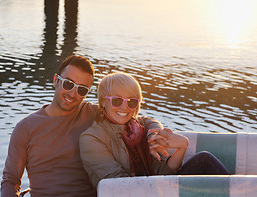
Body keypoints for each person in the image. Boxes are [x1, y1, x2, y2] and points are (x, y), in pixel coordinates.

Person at [0, 56, 165, 197]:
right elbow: (10, 180)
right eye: (68, 84)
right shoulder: (26, 127)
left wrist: (154, 133)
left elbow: (141, 120)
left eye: (82, 89)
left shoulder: (94, 114)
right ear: (56, 80)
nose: (73, 94)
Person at [79, 72, 230, 190]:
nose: (125, 107)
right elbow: (120, 184)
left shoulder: (139, 128)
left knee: (204, 159)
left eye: (132, 101)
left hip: (155, 191)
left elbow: (163, 173)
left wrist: (181, 147)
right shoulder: (91, 139)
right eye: (117, 100)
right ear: (103, 101)